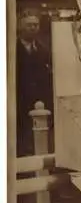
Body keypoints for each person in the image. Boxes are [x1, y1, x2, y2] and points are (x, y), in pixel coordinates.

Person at [16, 8, 54, 157]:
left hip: (40, 107)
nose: (33, 28)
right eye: (29, 25)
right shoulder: (10, 50)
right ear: (20, 26)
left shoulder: (44, 51)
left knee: (39, 145)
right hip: (18, 106)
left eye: (36, 25)